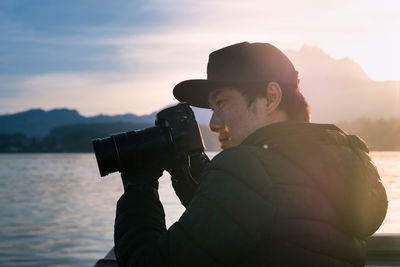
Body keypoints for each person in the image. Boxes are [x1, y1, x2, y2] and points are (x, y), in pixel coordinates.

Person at [113, 42, 388, 266]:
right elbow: (256, 215)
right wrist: (193, 168)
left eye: (221, 103)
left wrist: (140, 184)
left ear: (270, 97)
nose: (213, 123)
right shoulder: (337, 159)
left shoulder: (247, 167)